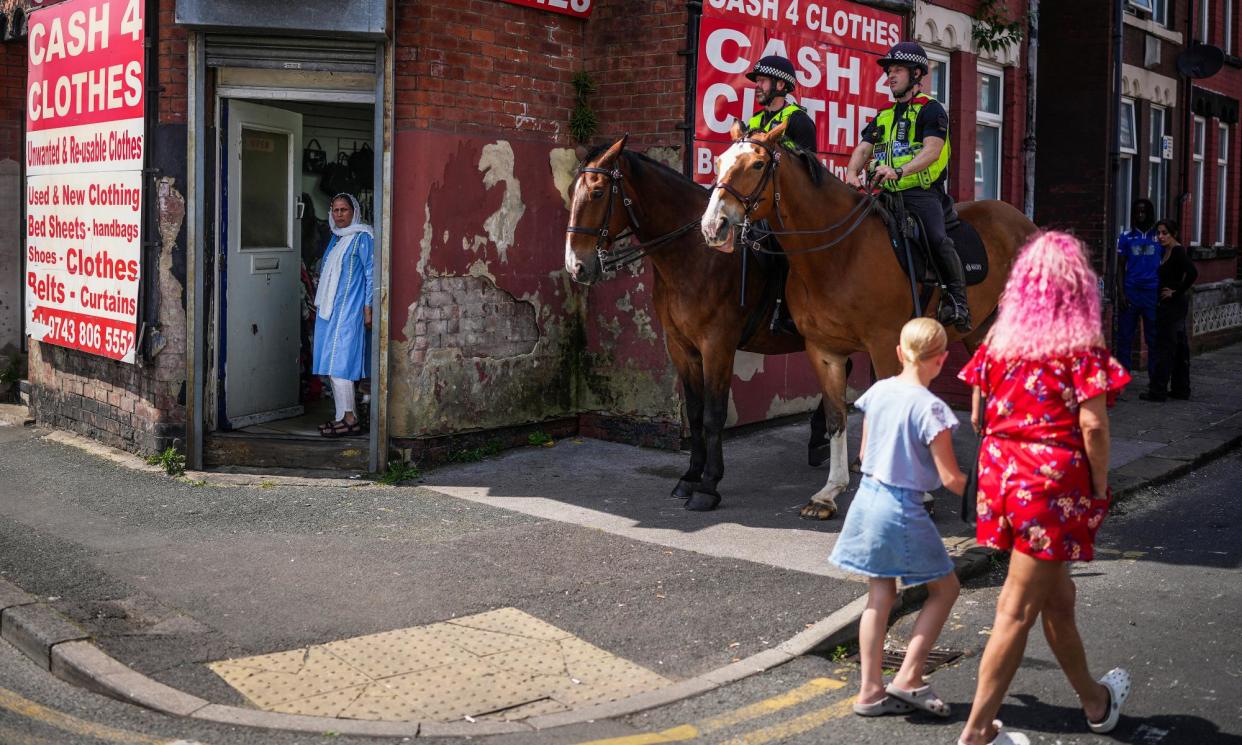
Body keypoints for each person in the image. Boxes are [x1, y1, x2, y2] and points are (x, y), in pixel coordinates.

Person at [956, 232, 1132, 745]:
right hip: (1051, 486)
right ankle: (977, 731)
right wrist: (1098, 487)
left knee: (1058, 599)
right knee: (1015, 609)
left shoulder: (996, 343)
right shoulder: (1079, 348)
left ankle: (1095, 702)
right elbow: (1093, 427)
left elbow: (976, 415)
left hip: (1002, 476)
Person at [829, 318, 965, 718]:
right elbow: (950, 478)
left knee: (880, 596)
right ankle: (908, 678)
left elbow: (862, 455)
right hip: (901, 507)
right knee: (946, 590)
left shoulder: (877, 392)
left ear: (899, 353)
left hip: (866, 499)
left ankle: (870, 691)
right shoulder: (933, 408)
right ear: (941, 360)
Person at [845, 41, 971, 332]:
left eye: (898, 70)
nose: (890, 75)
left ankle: (958, 299)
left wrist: (899, 171)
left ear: (916, 75)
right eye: (889, 70)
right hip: (885, 193)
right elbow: (864, 148)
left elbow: (933, 150)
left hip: (922, 194)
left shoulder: (931, 110)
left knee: (938, 239)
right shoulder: (885, 115)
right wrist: (852, 172)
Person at [313, 193, 374, 437]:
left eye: (344, 210)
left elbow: (371, 274)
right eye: (335, 210)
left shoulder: (363, 238)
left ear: (354, 212)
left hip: (351, 309)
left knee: (341, 366)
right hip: (331, 310)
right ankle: (341, 417)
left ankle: (351, 419)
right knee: (331, 366)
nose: (339, 215)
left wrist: (369, 307)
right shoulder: (336, 240)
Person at [1141, 219, 1197, 402]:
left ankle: (1158, 391)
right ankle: (1181, 389)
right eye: (1158, 233)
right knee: (1179, 347)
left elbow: (1193, 272)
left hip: (1173, 306)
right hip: (1171, 305)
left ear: (1174, 233)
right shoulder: (1168, 251)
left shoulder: (1178, 251)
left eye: (1165, 233)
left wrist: (1176, 291)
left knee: (1165, 346)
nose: (1161, 236)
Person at [1115, 198, 1160, 373]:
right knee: (1124, 336)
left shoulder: (1158, 237)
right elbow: (1120, 266)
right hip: (1131, 291)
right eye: (1137, 212)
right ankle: (1122, 376)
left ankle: (1154, 378)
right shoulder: (1126, 237)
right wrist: (1121, 293)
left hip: (1152, 292)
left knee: (1153, 337)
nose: (1140, 215)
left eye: (1144, 212)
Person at [744, 55, 816, 152]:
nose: (757, 85)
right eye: (757, 81)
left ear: (780, 85)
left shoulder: (800, 121)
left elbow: (808, 166)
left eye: (762, 80)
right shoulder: (754, 120)